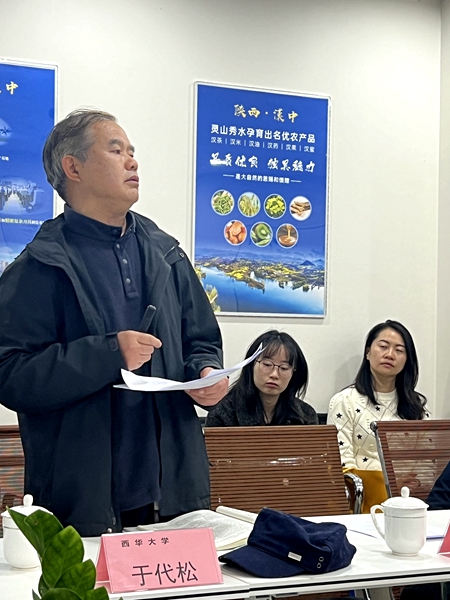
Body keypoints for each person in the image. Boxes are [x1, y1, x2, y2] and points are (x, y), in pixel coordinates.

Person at [0, 109, 228, 536]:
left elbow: (200, 339)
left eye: (132, 151)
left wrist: (206, 373)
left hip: (172, 491)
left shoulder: (166, 253)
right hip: (81, 498)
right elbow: (10, 375)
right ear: (73, 168)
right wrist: (108, 354)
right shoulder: (39, 266)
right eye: (116, 150)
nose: (132, 161)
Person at [327, 319, 429, 513]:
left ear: (407, 360)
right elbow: (341, 463)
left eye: (399, 350)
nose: (390, 354)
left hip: (409, 502)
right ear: (368, 352)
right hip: (361, 504)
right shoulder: (344, 401)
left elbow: (427, 462)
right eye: (383, 346)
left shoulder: (417, 406)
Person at [205, 330, 318, 427]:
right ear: (251, 366)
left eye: (284, 368)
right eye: (267, 364)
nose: (274, 374)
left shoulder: (306, 415)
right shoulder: (223, 413)